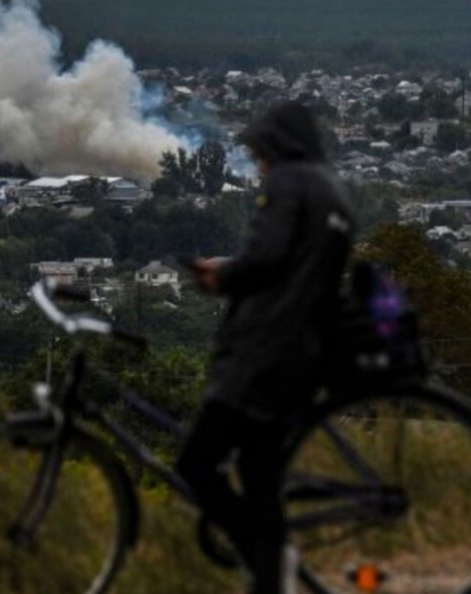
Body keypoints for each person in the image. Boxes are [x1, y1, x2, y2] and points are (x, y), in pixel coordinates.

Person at [175, 101, 355, 594]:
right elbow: (296, 265)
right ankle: (270, 579)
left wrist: (222, 274)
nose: (259, 165)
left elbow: (268, 258)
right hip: (302, 353)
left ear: (279, 148)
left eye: (262, 154)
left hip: (265, 351)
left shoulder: (288, 183)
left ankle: (261, 556)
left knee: (196, 464)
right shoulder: (332, 189)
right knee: (260, 477)